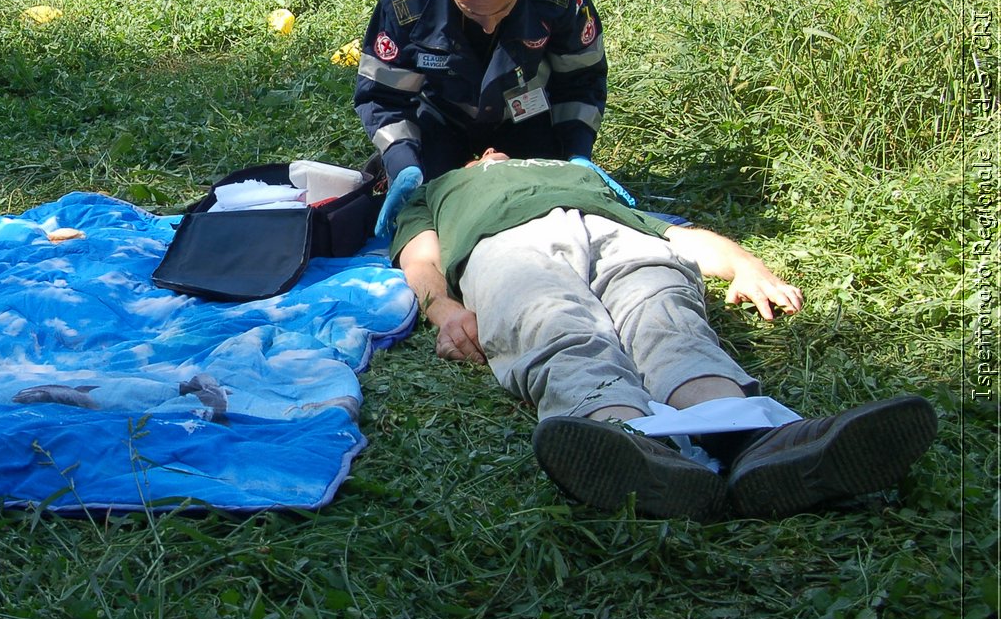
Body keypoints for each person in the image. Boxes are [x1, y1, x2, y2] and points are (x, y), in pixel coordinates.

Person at [391, 150, 938, 520]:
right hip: (505, 244)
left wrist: (747, 267)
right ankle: (621, 436)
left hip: (613, 230)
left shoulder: (581, 172)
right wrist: (444, 307)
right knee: (551, 320)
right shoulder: (438, 188)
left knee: (665, 312)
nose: (492, 152)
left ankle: (751, 440)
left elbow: (676, 231)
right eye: (480, 151)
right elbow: (420, 257)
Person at [354, 0, 611, 237]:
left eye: (503, 9)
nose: (488, 26)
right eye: (471, 10)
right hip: (441, 114)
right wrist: (401, 162)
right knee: (431, 209)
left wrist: (576, 151)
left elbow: (581, 78)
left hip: (524, 112)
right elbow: (382, 95)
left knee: (542, 201)